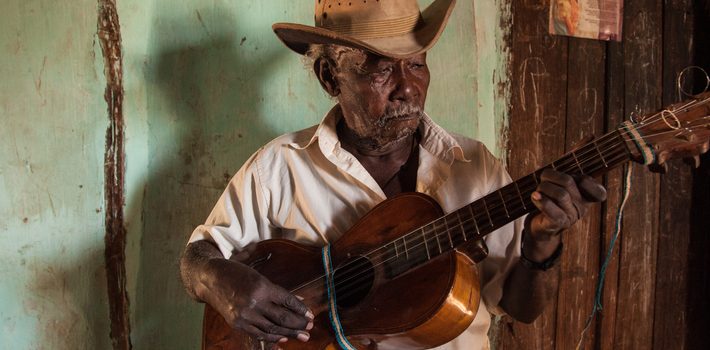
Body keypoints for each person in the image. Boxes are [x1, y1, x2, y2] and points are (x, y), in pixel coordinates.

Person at [179, 0, 607, 349]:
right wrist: (222, 283)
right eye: (381, 68)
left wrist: (541, 243)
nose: (407, 87)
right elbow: (196, 259)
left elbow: (521, 308)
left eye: (416, 65)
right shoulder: (280, 164)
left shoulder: (475, 167)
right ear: (331, 77)